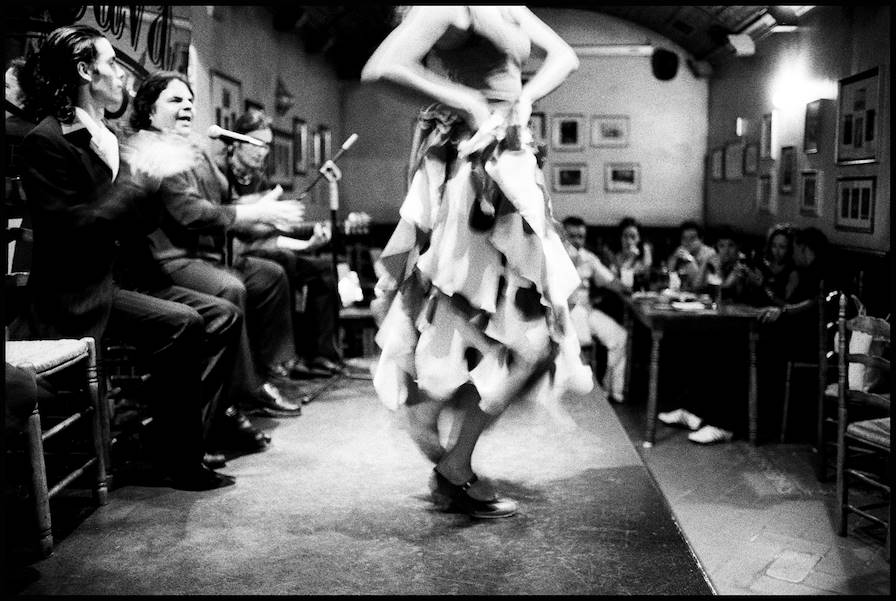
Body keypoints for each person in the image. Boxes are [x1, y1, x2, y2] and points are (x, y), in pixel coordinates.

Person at [362, 5, 589, 518]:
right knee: (518, 334)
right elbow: (382, 67)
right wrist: (464, 101)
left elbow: (565, 57)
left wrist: (526, 99)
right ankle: (449, 457)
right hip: (475, 174)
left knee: (526, 336)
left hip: (511, 167)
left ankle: (436, 432)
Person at [12, 25, 236, 489]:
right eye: (111, 64)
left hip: (125, 278)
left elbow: (138, 223)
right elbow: (75, 231)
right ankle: (177, 460)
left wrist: (154, 178)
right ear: (84, 71)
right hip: (78, 291)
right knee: (183, 323)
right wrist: (138, 177)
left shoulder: (109, 134)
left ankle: (175, 434)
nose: (120, 76)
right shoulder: (47, 140)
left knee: (222, 313)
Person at [127, 71, 307, 422]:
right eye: (175, 100)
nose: (187, 107)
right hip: (170, 259)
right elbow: (190, 212)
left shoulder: (195, 148)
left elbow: (223, 197)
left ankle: (268, 372)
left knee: (270, 275)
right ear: (149, 111)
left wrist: (263, 206)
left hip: (207, 255)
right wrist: (253, 211)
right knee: (230, 287)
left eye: (190, 101)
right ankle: (236, 397)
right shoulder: (153, 149)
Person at [220, 109, 345, 377]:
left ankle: (319, 354)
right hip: (231, 253)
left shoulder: (258, 178)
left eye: (265, 146)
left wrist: (309, 244)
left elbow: (268, 233)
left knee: (322, 269)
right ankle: (283, 360)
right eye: (255, 143)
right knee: (282, 263)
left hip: (263, 248)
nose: (261, 152)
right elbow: (230, 221)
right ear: (236, 142)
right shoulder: (219, 171)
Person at [562, 216, 629, 403]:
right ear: (562, 236)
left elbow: (610, 281)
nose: (577, 241)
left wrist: (630, 289)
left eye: (581, 237)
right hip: (561, 312)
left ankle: (612, 390)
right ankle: (582, 393)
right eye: (571, 236)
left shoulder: (588, 258)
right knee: (581, 338)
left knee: (619, 336)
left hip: (585, 310)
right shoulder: (552, 256)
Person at [744, 223, 795, 307]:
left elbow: (787, 305)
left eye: (782, 247)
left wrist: (763, 285)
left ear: (789, 248)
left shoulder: (792, 272)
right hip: (753, 309)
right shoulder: (762, 264)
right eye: (774, 246)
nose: (777, 251)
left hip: (774, 314)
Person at [666, 220, 719, 292]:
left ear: (701, 239)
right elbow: (668, 276)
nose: (687, 242)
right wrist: (674, 258)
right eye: (684, 238)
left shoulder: (709, 254)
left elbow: (697, 285)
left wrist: (690, 260)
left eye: (692, 238)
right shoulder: (681, 252)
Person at [606, 216, 653, 288]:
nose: (629, 241)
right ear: (620, 237)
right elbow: (623, 282)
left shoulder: (644, 251)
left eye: (633, 237)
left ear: (639, 238)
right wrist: (630, 258)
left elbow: (646, 275)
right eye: (625, 236)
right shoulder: (615, 255)